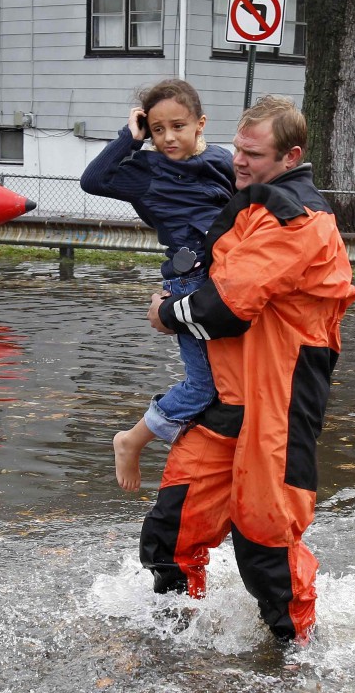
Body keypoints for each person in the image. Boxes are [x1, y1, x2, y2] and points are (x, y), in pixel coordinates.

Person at [140, 95, 355, 644]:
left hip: (280, 401)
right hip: (231, 398)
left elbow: (225, 309)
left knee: (264, 541)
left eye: (253, 154)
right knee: (170, 531)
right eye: (237, 148)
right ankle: (169, 640)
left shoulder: (298, 218)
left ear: (291, 156)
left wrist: (168, 313)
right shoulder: (254, 203)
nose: (239, 160)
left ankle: (297, 660)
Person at [80, 79, 235, 492]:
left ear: (200, 124)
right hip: (189, 280)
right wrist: (129, 138)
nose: (168, 137)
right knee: (204, 384)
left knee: (233, 380)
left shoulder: (221, 159)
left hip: (229, 278)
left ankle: (209, 458)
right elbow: (92, 180)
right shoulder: (146, 171)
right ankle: (133, 439)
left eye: (178, 126)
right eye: (158, 129)